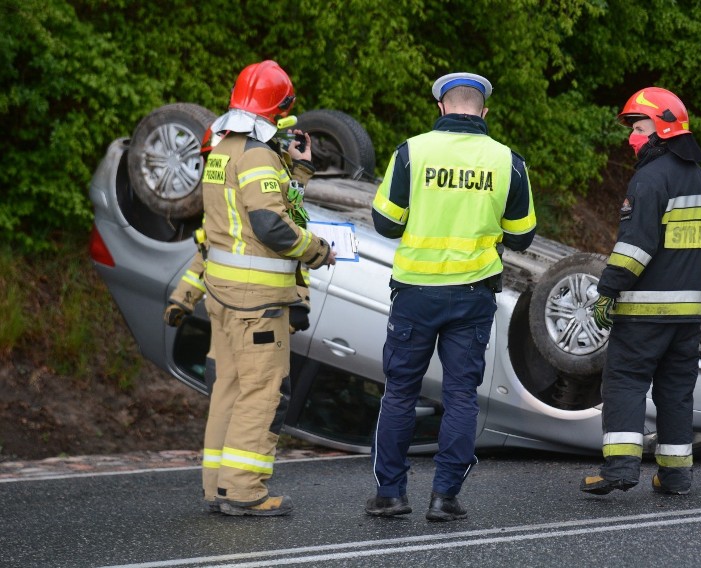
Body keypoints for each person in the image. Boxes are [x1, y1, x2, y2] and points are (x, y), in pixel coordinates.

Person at [367, 72, 536, 521]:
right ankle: (444, 497)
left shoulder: (411, 151)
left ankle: (390, 495)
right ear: (483, 110)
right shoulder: (508, 162)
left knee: (400, 392)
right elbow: (523, 236)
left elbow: (385, 223)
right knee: (461, 395)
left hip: (415, 294)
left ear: (441, 107)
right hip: (472, 294)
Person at [197, 60, 335, 516]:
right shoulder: (257, 155)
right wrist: (316, 251)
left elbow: (254, 208)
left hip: (222, 294)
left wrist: (298, 172)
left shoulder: (223, 150)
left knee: (230, 390)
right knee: (262, 392)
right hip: (255, 300)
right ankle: (245, 492)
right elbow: (271, 225)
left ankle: (218, 486)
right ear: (281, 107)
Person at [580, 87, 701, 496]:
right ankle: (676, 476)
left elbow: (635, 247)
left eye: (639, 126)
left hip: (642, 314)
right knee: (676, 393)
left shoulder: (648, 179)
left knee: (625, 383)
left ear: (662, 129)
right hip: (685, 318)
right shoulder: (700, 179)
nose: (633, 135)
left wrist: (608, 290)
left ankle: (621, 471)